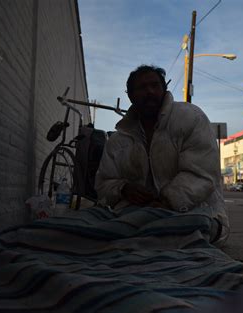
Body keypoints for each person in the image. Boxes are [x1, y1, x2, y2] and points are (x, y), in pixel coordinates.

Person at [95, 65, 229, 245]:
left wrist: (167, 201)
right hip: (138, 215)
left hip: (195, 213)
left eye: (155, 85)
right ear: (130, 95)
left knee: (176, 235)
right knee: (102, 230)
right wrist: (124, 188)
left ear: (164, 89)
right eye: (142, 87)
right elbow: (103, 184)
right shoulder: (118, 140)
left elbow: (202, 174)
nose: (149, 91)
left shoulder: (191, 118)